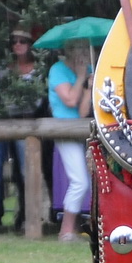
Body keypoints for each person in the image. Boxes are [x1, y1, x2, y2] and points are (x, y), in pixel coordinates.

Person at [0, 26, 46, 234]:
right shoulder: (4, 70)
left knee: (26, 173)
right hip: (1, 123)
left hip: (27, 123)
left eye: (22, 41)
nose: (18, 45)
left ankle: (28, 217)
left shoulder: (39, 71)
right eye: (14, 41)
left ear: (30, 46)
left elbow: (37, 101)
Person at [47, 38, 93, 240]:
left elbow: (83, 111)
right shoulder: (57, 70)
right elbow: (70, 100)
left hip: (85, 128)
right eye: (78, 49)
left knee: (94, 181)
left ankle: (88, 226)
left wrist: (90, 87)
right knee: (80, 182)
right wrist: (82, 77)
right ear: (69, 51)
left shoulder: (91, 68)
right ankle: (66, 230)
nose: (83, 54)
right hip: (64, 129)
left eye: (85, 48)